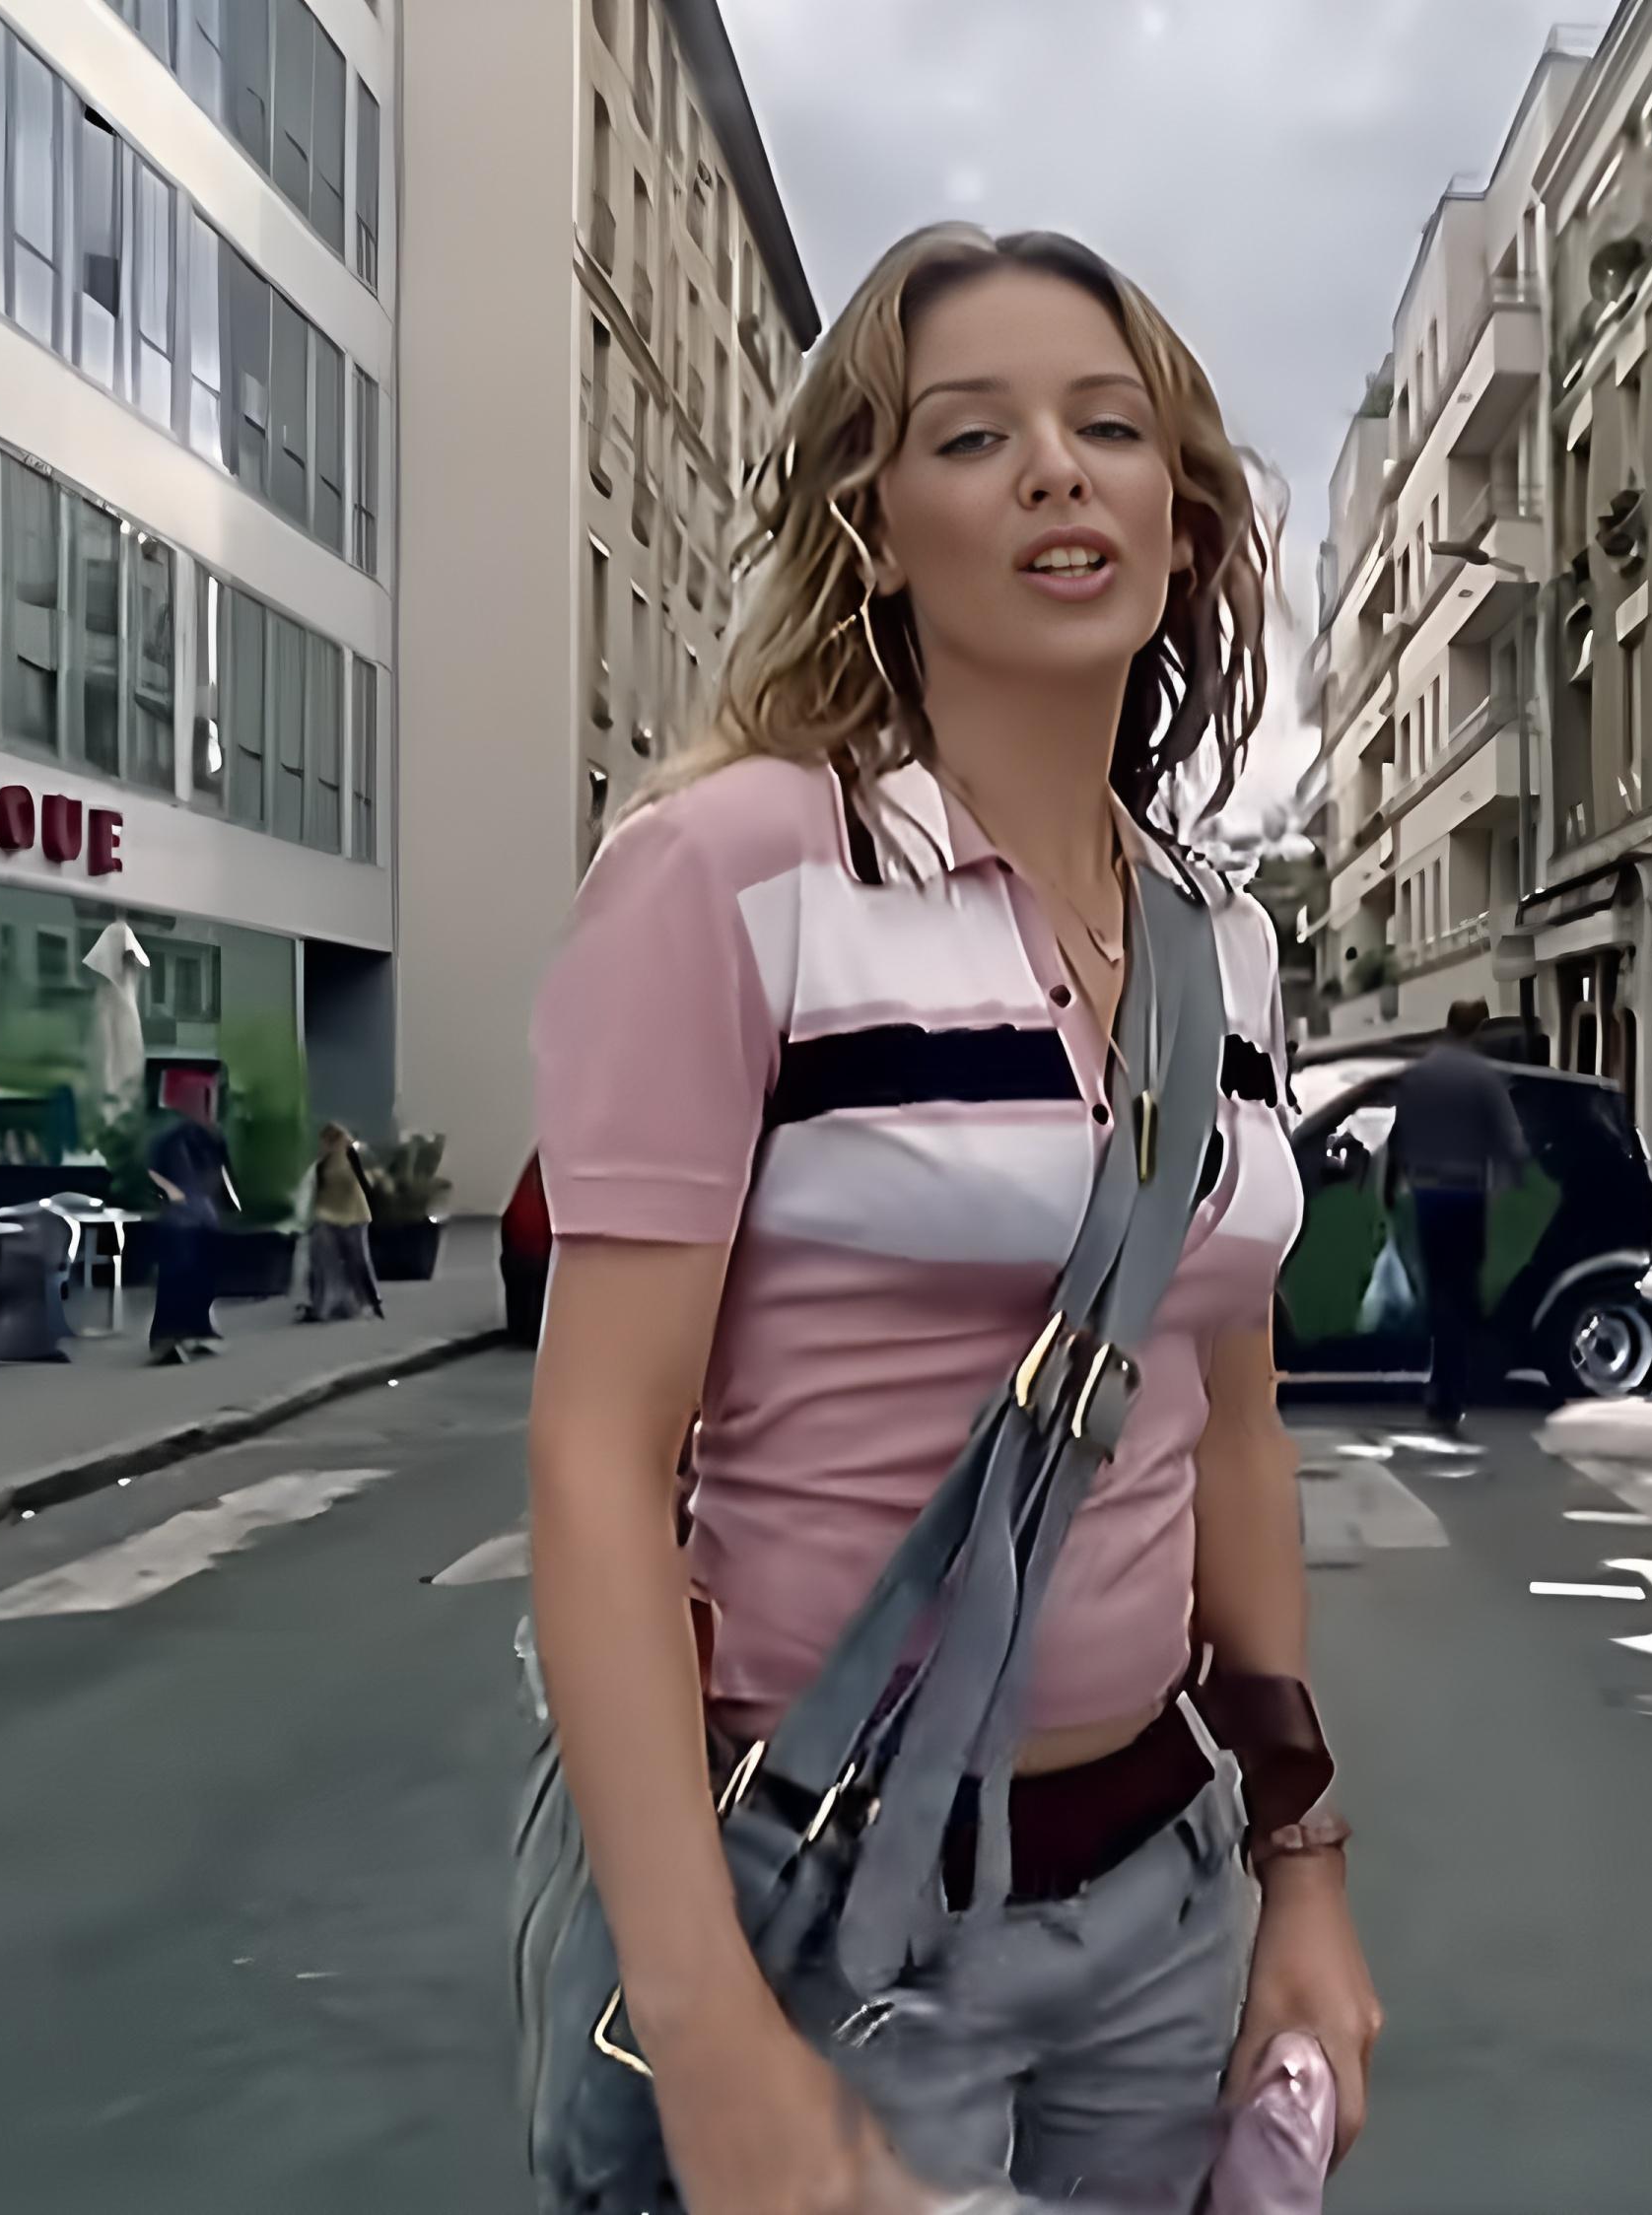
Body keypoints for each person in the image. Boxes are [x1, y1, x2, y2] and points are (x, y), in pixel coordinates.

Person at [520, 226, 1375, 2212]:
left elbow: (1232, 1429)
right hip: (826, 1912)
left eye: (1109, 428)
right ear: (878, 530)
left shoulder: (1225, 941)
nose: (1056, 471)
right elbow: (595, 1458)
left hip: (1160, 1901)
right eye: (973, 436)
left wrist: (1303, 1872)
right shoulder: (734, 866)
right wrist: (705, 2020)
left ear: (1181, 516)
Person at [1385, 998, 1527, 1433]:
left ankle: (1440, 1382)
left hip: (1426, 1194)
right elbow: (1511, 1142)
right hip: (1468, 1195)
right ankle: (1454, 1389)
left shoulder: (1418, 1074)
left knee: (1438, 1289)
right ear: (1479, 1029)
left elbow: (1397, 1135)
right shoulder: (1483, 1077)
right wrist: (1513, 1184)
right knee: (1461, 1291)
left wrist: (1391, 1184)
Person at [146, 1094, 236, 1366]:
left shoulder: (206, 1140)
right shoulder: (180, 1139)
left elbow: (222, 1177)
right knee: (184, 1275)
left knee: (194, 1276)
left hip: (196, 1218)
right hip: (187, 1220)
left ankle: (188, 1331)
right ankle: (175, 1334)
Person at [301, 1124, 384, 1324]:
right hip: (327, 1215)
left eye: (331, 1140)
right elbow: (316, 1187)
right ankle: (323, 1306)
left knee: (358, 1260)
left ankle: (370, 1300)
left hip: (355, 1215)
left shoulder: (354, 1155)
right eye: (326, 1141)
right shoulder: (322, 1162)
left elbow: (369, 1179)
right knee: (323, 1262)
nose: (327, 1145)